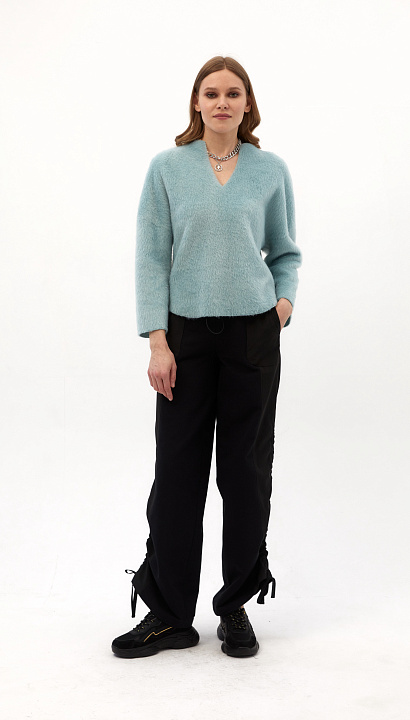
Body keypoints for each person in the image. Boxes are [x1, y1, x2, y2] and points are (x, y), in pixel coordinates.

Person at [111, 55, 302, 659]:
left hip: (253, 338)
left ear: (247, 104)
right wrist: (157, 341)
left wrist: (282, 305)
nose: (222, 102)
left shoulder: (270, 170)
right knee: (178, 473)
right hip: (186, 340)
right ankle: (170, 613)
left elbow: (285, 252)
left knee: (245, 472)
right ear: (196, 102)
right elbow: (151, 257)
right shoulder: (168, 168)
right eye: (211, 93)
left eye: (233, 93)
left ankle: (236, 603)